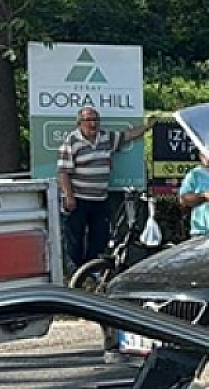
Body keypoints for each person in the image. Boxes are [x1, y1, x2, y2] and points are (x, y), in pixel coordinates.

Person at [56, 108, 152, 269]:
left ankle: (92, 270)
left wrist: (147, 126)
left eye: (95, 120)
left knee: (100, 237)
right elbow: (63, 172)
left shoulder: (106, 137)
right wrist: (68, 196)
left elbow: (128, 135)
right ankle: (77, 272)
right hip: (78, 198)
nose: (93, 124)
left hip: (100, 198)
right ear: (80, 123)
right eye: (88, 120)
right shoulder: (71, 141)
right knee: (75, 238)